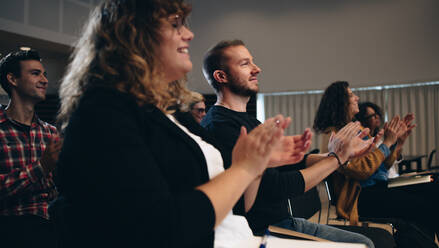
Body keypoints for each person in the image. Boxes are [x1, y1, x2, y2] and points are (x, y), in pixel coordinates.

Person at [51, 1, 377, 248]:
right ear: (133, 36)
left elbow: (237, 203)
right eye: (176, 25)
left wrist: (256, 163)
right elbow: (165, 226)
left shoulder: (171, 116)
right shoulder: (104, 113)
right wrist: (248, 166)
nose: (189, 34)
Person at [201, 39, 377, 247]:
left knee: (370, 241)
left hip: (283, 222)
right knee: (365, 244)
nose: (257, 69)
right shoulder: (220, 126)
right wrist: (337, 159)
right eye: (245, 64)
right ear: (221, 76)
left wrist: (335, 155)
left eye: (253, 62)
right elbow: (276, 186)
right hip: (265, 229)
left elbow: (291, 163)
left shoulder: (249, 121)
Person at [313, 81, 438, 246]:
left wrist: (397, 143)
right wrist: (386, 143)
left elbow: (381, 167)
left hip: (375, 187)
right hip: (361, 197)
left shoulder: (352, 128)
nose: (357, 98)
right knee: (425, 208)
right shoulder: (334, 133)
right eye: (351, 95)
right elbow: (362, 170)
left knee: (434, 187)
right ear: (340, 101)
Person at [0, 50, 61, 248]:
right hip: (11, 230)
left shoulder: (51, 133)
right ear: (13, 79)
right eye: (36, 73)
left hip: (51, 227)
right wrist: (41, 167)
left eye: (44, 74)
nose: (44, 80)